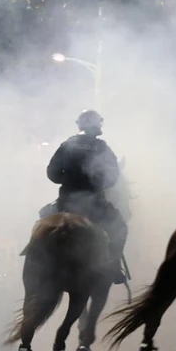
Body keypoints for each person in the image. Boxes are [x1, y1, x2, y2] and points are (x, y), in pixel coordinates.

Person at [45, 110, 127, 285]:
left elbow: (52, 174)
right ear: (98, 126)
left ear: (80, 124)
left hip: (66, 202)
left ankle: (38, 261)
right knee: (120, 227)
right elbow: (113, 177)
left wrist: (66, 178)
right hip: (94, 205)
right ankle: (113, 266)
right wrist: (97, 183)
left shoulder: (67, 145)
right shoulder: (103, 148)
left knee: (43, 221)